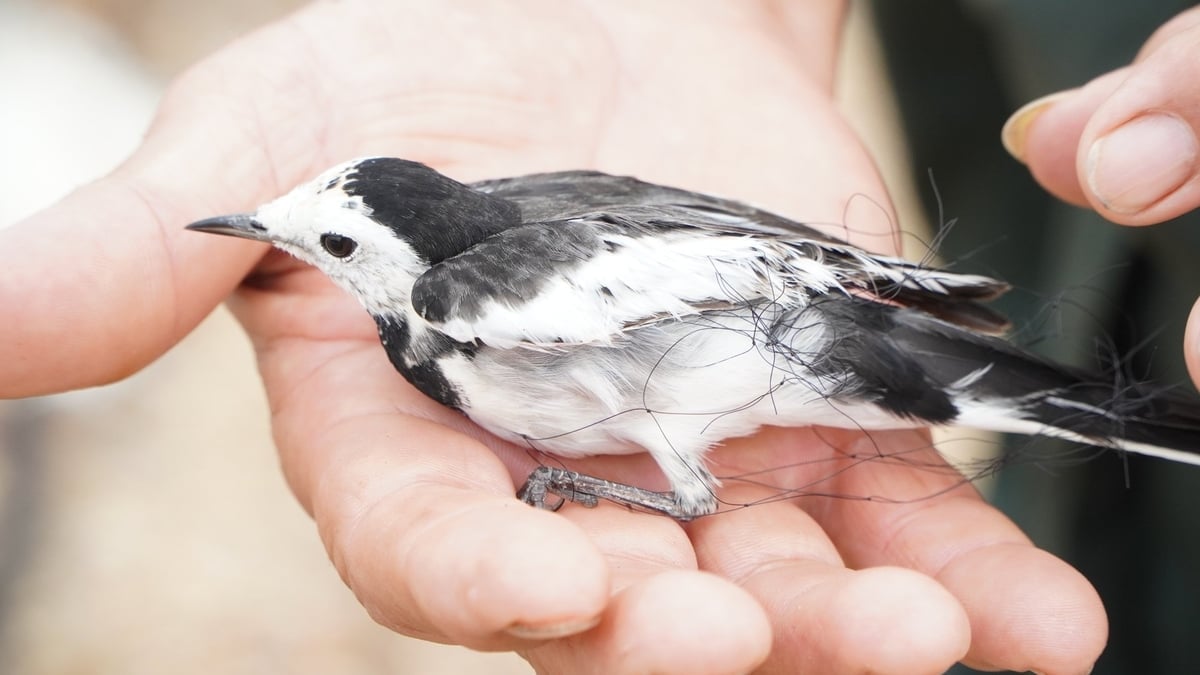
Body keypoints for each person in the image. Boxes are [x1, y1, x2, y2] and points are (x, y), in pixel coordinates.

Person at [2, 1, 1196, 672]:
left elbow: (701, 288)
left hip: (792, 345)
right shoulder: (516, 203)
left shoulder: (456, 306)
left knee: (1097, 409)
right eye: (299, 238)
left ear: (412, 260)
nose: (293, 253)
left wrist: (572, 478)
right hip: (793, 312)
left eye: (335, 243)